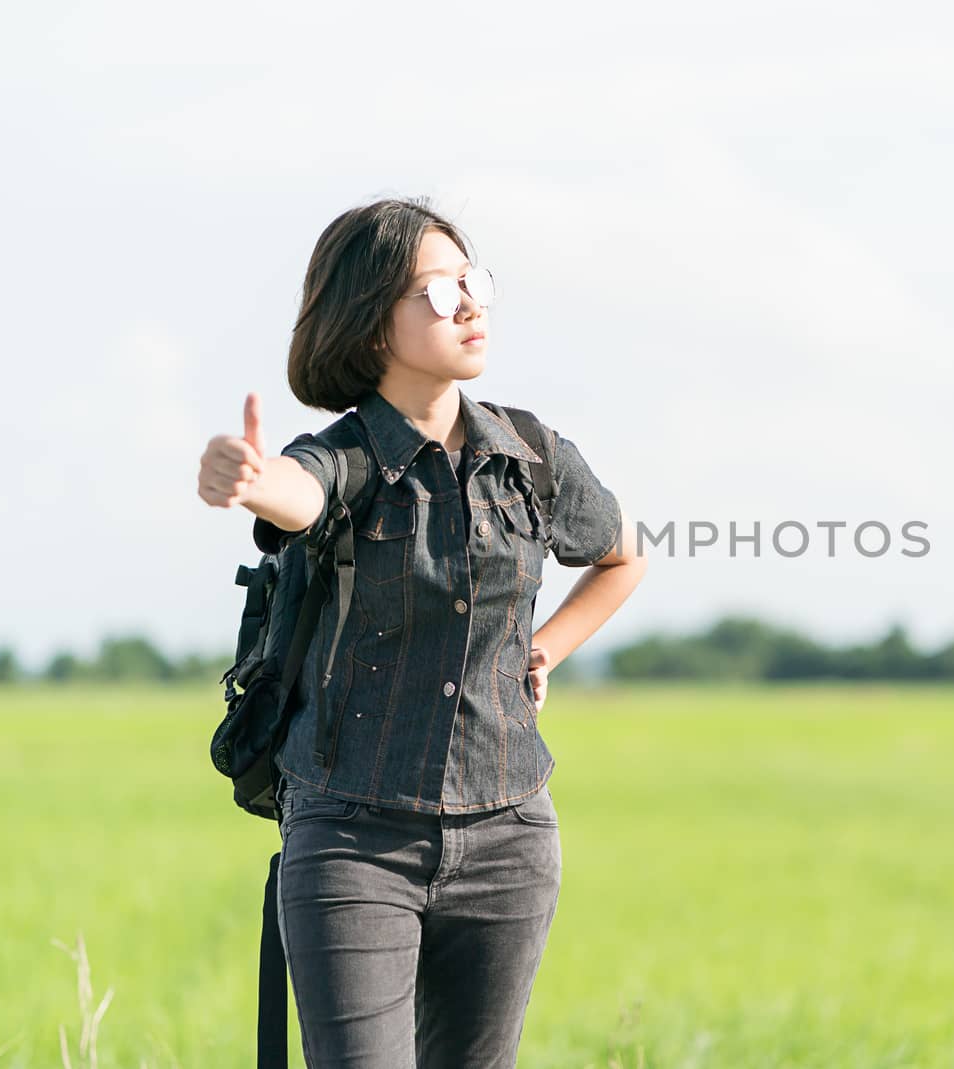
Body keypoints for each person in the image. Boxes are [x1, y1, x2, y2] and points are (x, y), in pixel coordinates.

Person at [194, 196, 648, 1068]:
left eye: (471, 282)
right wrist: (250, 482)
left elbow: (622, 555)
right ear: (370, 330)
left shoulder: (532, 454)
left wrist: (544, 647)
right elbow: (301, 493)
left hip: (512, 836)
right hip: (352, 838)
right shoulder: (345, 458)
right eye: (437, 294)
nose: (469, 305)